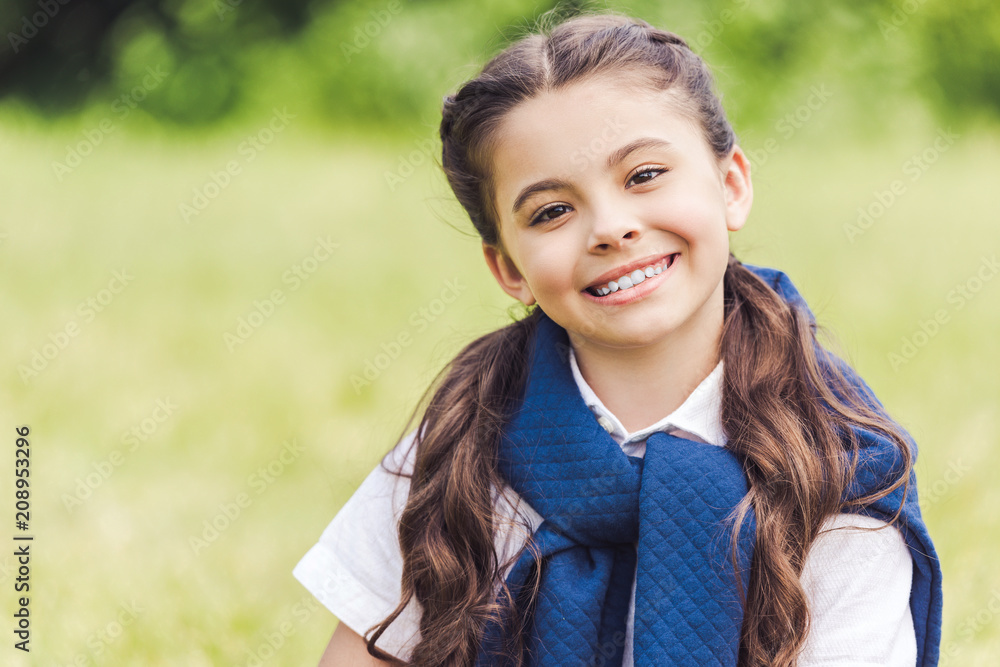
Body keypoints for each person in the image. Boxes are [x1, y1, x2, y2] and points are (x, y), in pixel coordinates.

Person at [293, 11, 942, 667]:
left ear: (731, 185)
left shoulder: (837, 457)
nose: (610, 227)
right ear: (509, 268)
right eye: (551, 211)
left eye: (644, 175)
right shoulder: (464, 438)